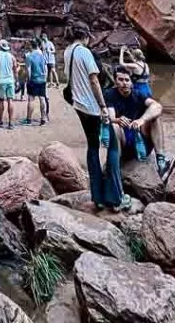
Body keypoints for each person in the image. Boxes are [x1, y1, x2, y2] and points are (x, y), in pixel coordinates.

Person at [63, 22, 129, 212]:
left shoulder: (68, 51)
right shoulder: (84, 52)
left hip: (78, 105)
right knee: (114, 147)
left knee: (93, 147)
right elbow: (94, 79)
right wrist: (102, 106)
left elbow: (71, 78)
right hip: (92, 106)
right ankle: (115, 197)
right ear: (86, 35)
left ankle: (98, 197)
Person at [105, 67, 175, 181]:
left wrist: (142, 120)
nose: (124, 83)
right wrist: (117, 120)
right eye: (121, 79)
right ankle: (116, 167)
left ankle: (161, 160)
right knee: (113, 126)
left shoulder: (138, 94)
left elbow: (157, 106)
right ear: (115, 81)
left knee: (155, 118)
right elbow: (110, 117)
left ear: (131, 82)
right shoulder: (110, 94)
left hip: (141, 141)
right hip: (123, 143)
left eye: (127, 80)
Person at [23, 39, 49, 125]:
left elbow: (29, 70)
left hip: (33, 79)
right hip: (42, 79)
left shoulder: (29, 56)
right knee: (42, 98)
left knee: (31, 99)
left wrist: (28, 79)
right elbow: (46, 69)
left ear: (31, 46)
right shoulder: (43, 56)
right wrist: (45, 77)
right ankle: (43, 118)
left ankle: (29, 119)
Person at [0, 39, 17, 129]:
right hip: (10, 80)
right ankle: (10, 122)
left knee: (1, 100)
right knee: (10, 100)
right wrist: (16, 79)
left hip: (1, 80)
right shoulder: (12, 56)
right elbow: (15, 68)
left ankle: (0, 120)